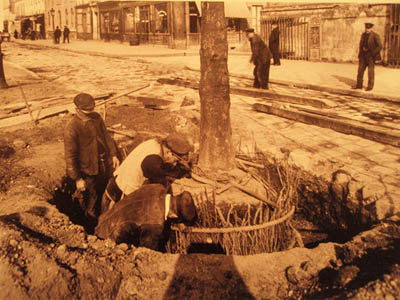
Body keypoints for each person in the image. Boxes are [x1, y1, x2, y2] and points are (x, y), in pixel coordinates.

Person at [100, 134, 193, 213]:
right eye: (175, 160)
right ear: (169, 152)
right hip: (119, 198)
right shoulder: (152, 159)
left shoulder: (155, 144)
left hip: (118, 188)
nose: (174, 163)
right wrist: (176, 173)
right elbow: (155, 175)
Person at [64, 93, 120, 219]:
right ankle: (92, 224)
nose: (90, 112)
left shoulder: (96, 118)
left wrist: (114, 155)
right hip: (87, 170)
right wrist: (77, 179)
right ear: (77, 109)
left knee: (106, 194)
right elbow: (70, 156)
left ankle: (105, 217)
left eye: (91, 109)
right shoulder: (72, 127)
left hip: (103, 164)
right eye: (87, 110)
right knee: (91, 199)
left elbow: (106, 137)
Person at [95, 184, 197, 251]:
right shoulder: (155, 225)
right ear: (174, 215)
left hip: (105, 218)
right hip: (105, 238)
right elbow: (149, 253)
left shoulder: (157, 187)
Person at [352, 22, 382, 91]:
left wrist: (373, 53)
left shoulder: (375, 35)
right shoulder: (363, 35)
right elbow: (360, 45)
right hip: (363, 56)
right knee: (360, 71)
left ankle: (370, 87)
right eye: (366, 28)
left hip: (371, 56)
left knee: (370, 72)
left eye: (369, 28)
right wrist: (360, 55)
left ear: (371, 28)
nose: (367, 29)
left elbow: (379, 46)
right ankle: (359, 85)